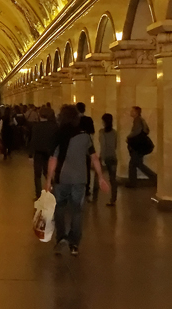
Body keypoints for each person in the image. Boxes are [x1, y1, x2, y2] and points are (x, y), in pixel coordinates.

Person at [45, 105, 110, 256]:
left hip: (62, 178)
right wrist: (100, 177)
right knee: (77, 211)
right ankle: (74, 243)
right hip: (80, 179)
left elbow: (53, 158)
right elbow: (94, 157)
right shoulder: (85, 135)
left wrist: (48, 179)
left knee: (59, 208)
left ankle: (61, 237)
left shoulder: (59, 134)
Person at [30, 105, 58, 200]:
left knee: (37, 175)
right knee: (48, 173)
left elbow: (33, 140)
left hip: (38, 153)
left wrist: (30, 154)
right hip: (50, 152)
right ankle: (53, 192)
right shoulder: (54, 126)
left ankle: (38, 195)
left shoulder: (36, 126)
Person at [127, 106, 157, 184]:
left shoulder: (137, 120)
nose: (131, 112)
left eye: (132, 111)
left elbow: (136, 131)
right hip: (140, 146)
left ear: (136, 113)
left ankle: (154, 178)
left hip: (137, 146)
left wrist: (129, 137)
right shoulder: (140, 120)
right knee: (136, 164)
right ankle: (133, 181)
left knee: (134, 164)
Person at [95, 113, 118, 205]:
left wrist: (103, 159)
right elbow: (115, 145)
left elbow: (103, 146)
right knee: (113, 179)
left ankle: (94, 198)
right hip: (113, 157)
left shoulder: (101, 132)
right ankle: (113, 199)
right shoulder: (115, 132)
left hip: (104, 157)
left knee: (97, 178)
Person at [76, 102, 95, 196]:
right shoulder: (89, 120)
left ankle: (78, 185)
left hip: (76, 146)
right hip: (86, 146)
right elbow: (92, 133)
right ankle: (87, 187)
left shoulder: (75, 120)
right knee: (86, 167)